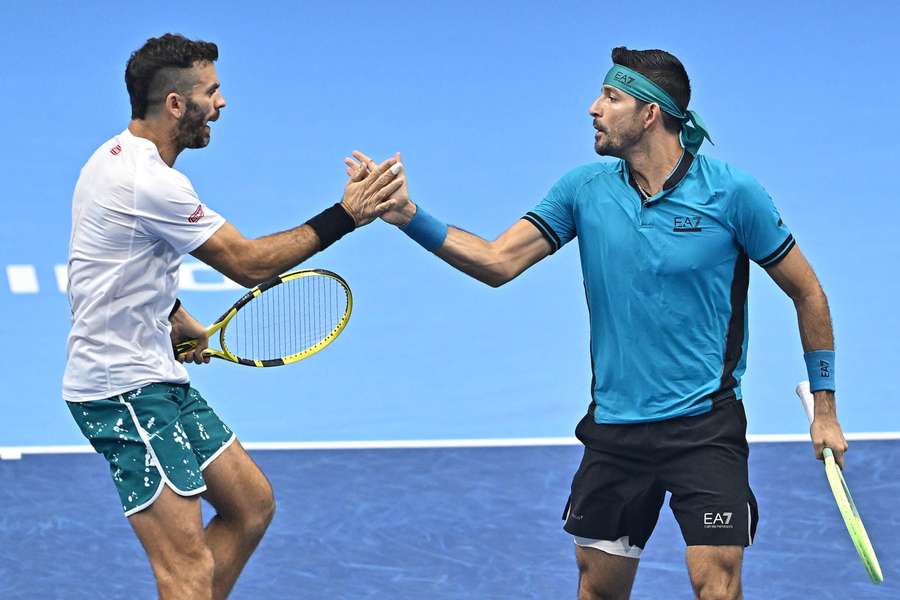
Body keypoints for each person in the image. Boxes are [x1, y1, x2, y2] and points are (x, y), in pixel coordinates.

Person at [356, 47, 848, 600]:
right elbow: (498, 262)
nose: (593, 108)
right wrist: (407, 216)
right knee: (599, 589)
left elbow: (808, 292)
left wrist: (824, 409)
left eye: (611, 98)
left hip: (705, 427)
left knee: (718, 583)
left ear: (650, 114)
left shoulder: (732, 195)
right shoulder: (584, 190)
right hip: (616, 430)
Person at [63, 33, 404, 599]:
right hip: (121, 388)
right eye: (211, 91)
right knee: (186, 570)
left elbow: (107, 269)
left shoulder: (113, 157)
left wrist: (174, 316)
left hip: (154, 371)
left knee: (250, 506)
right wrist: (347, 215)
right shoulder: (149, 182)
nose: (221, 104)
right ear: (176, 104)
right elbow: (248, 264)